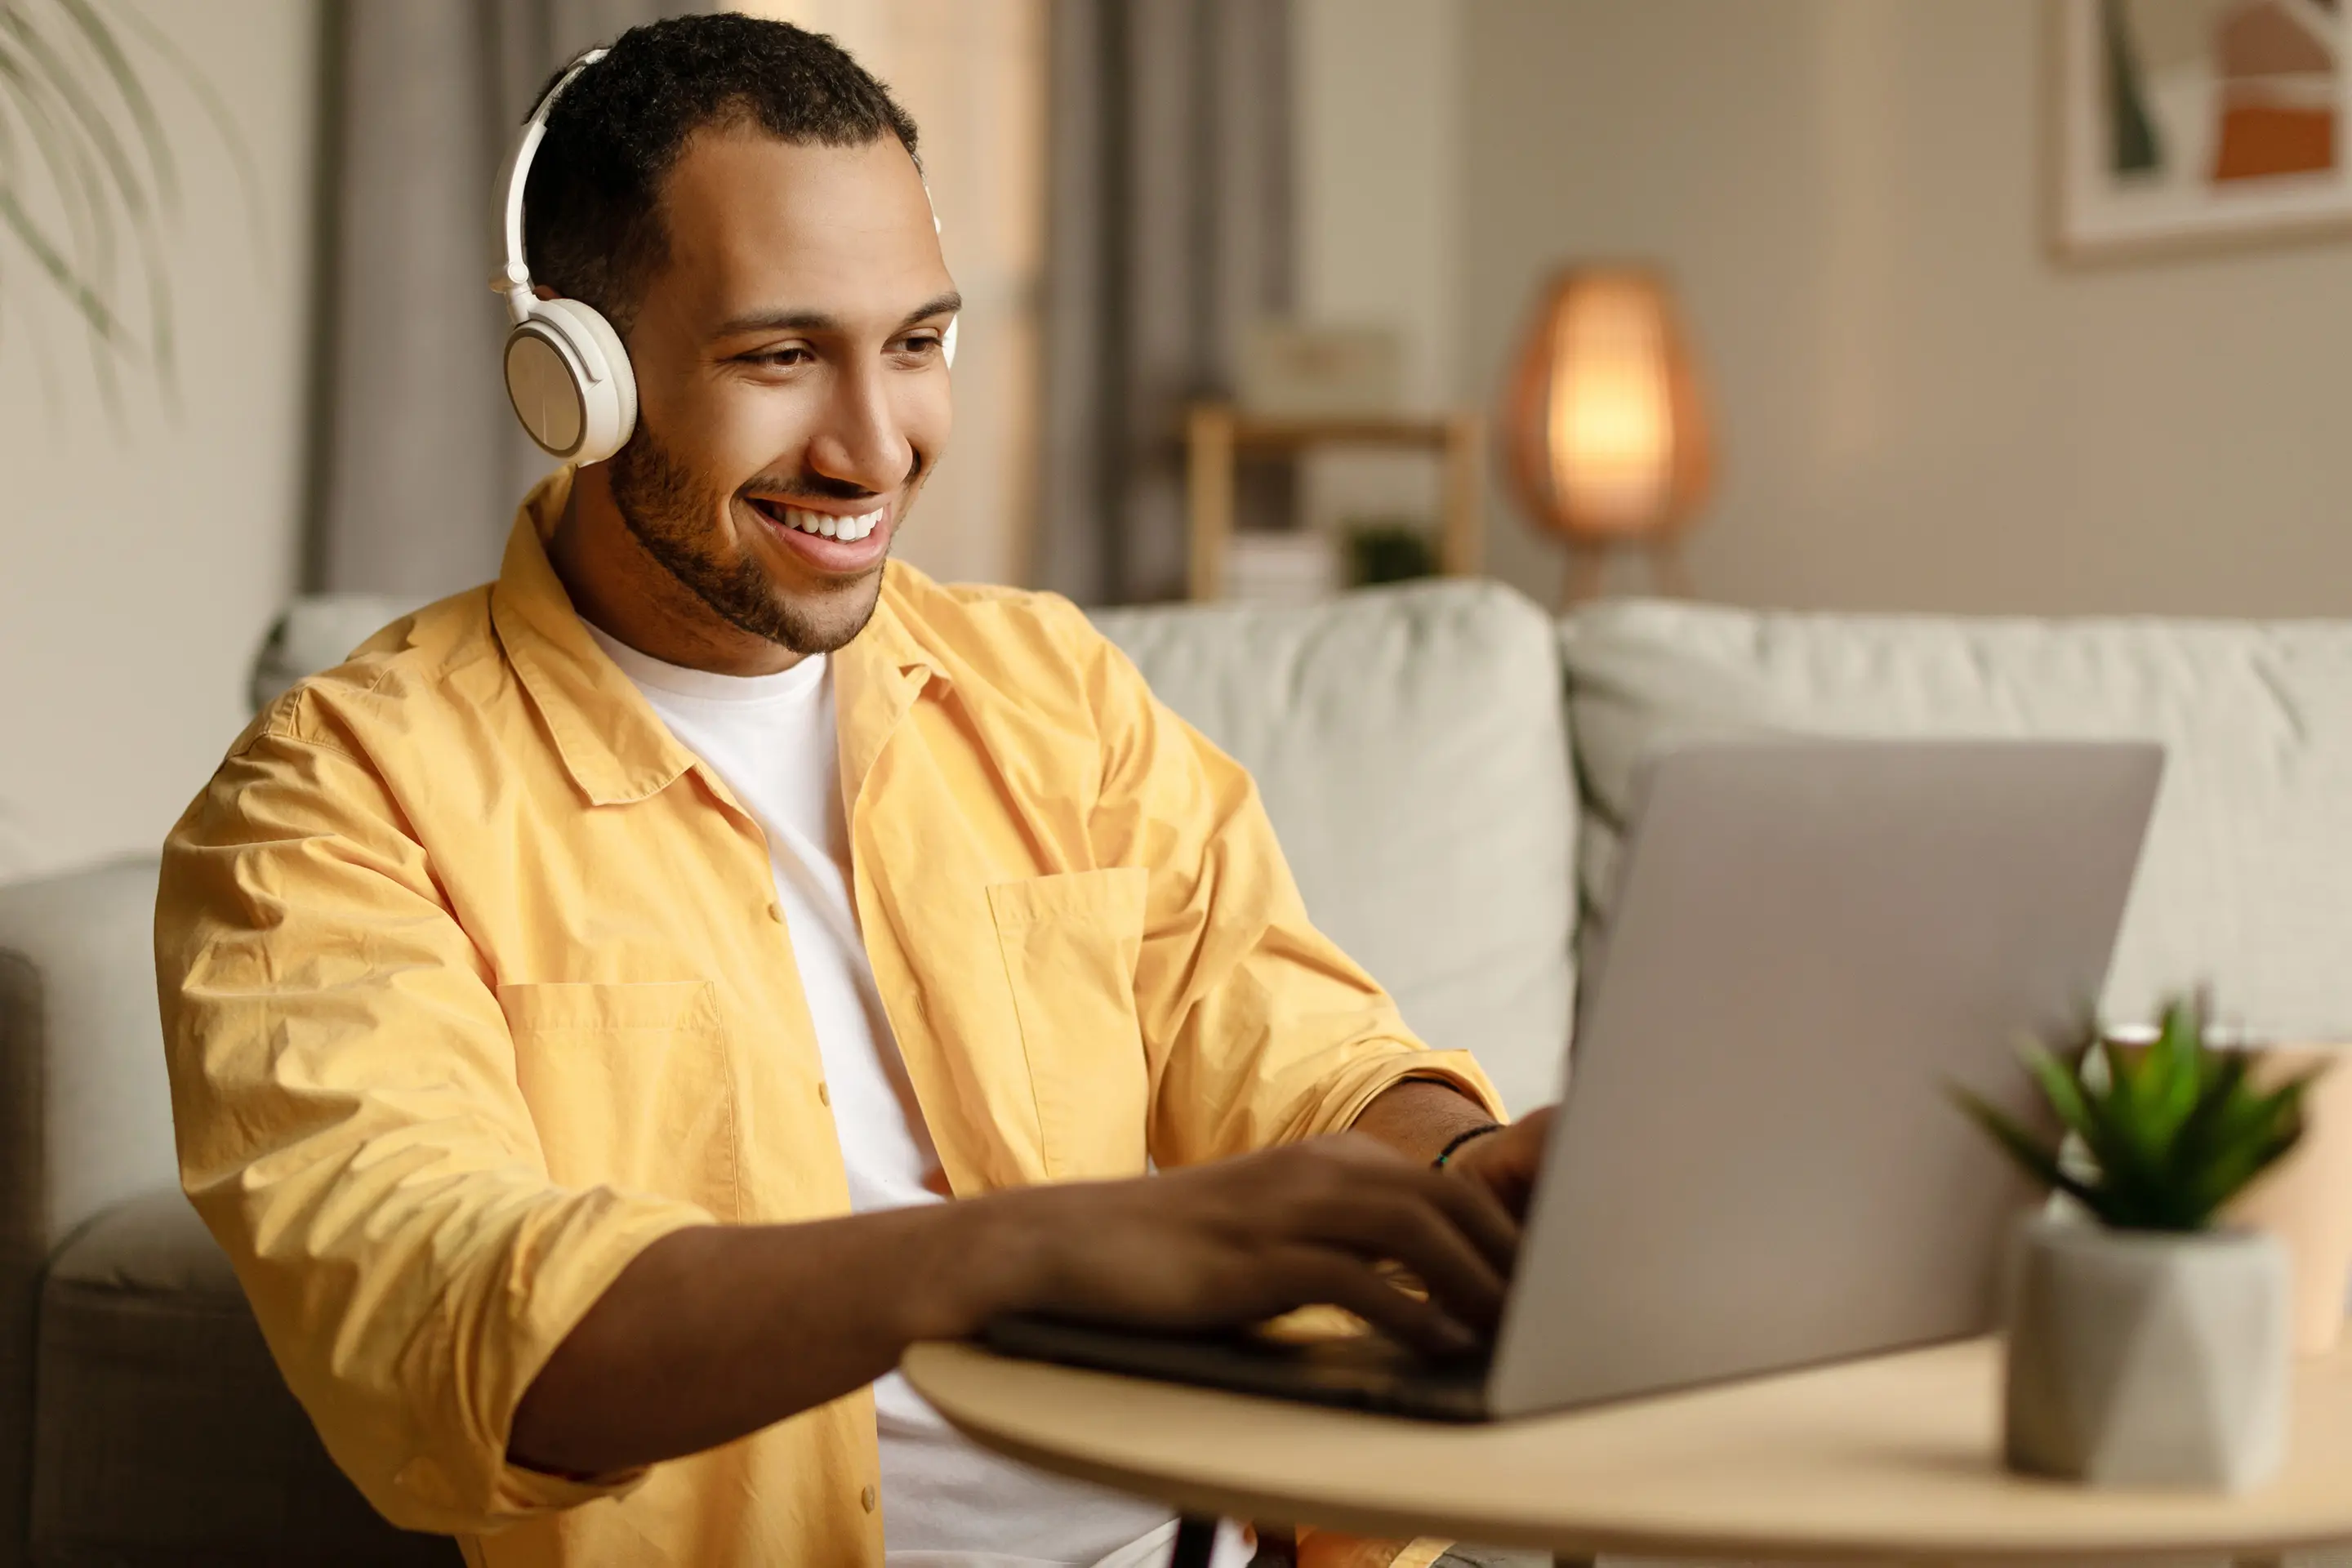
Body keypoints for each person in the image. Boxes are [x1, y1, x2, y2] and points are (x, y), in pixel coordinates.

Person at [156, 16, 1548, 1568]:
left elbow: (1306, 1062)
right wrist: (1023, 1253)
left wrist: (1468, 1170)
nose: (876, 450)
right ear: (578, 380)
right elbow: (448, 1326)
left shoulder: (1054, 693)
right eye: (780, 356)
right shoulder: (334, 805)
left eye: (916, 344)